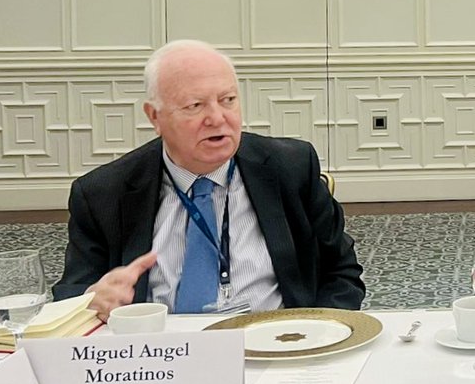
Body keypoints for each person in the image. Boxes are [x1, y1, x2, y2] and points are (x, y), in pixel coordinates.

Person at [53, 40, 364, 320]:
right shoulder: (103, 193)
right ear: (155, 117)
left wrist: (319, 331)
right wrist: (91, 301)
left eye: (228, 100)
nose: (217, 118)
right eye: (195, 106)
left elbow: (341, 272)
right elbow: (73, 294)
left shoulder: (291, 167)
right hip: (160, 355)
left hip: (275, 343)